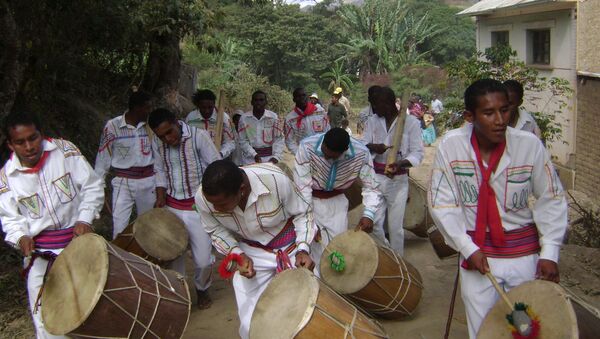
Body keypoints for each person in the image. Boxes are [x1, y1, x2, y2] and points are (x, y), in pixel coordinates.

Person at [427, 79, 567, 339]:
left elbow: (552, 197)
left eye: (504, 110)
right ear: (470, 116)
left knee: (525, 329)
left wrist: (550, 251)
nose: (500, 119)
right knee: (484, 331)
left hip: (524, 257)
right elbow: (442, 202)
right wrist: (468, 248)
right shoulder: (451, 146)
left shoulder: (529, 145)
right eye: (489, 113)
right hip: (478, 258)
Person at [0, 112, 104, 338]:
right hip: (41, 254)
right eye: (20, 142)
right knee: (48, 320)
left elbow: (92, 186)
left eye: (33, 138)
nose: (29, 146)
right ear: (10, 145)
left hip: (79, 245)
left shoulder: (65, 151)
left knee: (94, 309)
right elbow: (10, 218)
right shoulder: (6, 178)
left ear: (41, 134)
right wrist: (20, 237)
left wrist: (84, 218)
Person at [195, 160, 316, 339]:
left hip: (290, 246)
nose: (215, 208)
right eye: (212, 204)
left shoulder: (276, 180)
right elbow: (214, 230)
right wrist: (238, 255)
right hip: (250, 251)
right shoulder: (205, 198)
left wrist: (303, 249)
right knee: (250, 318)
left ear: (242, 190)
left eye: (221, 205)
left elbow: (302, 213)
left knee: (305, 307)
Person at [149, 108, 222, 309]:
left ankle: (202, 288)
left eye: (170, 132)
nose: (167, 139)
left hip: (197, 208)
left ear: (176, 122)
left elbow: (216, 166)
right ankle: (179, 296)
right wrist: (160, 196)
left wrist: (212, 197)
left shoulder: (199, 137)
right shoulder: (157, 143)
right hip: (172, 207)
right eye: (161, 136)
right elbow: (160, 170)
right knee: (173, 257)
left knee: (203, 260)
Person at [294, 128, 381, 273]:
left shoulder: (362, 153)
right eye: (324, 153)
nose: (327, 159)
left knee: (337, 249)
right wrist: (308, 222)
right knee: (313, 249)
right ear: (323, 142)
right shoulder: (306, 147)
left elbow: (371, 186)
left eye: (332, 157)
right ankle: (317, 288)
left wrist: (369, 214)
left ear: (345, 150)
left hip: (338, 203)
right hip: (310, 202)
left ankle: (334, 289)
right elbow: (303, 190)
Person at [363, 87, 424, 253]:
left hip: (397, 180)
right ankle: (387, 255)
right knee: (374, 223)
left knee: (396, 228)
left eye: (376, 104)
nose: (373, 108)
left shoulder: (410, 123)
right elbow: (364, 145)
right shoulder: (372, 121)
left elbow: (417, 152)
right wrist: (374, 147)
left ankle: (399, 264)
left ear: (388, 103)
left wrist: (401, 163)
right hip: (375, 177)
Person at [94, 91, 155, 239]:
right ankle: (120, 258)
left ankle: (145, 260)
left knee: (148, 226)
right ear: (136, 108)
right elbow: (103, 157)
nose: (149, 111)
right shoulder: (113, 126)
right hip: (123, 182)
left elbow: (158, 155)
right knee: (119, 226)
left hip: (148, 180)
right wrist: (98, 187)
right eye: (147, 108)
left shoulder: (150, 126)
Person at [237, 90, 284, 165]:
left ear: (266, 102)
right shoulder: (244, 118)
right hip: (250, 159)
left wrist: (276, 157)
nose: (258, 102)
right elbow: (242, 140)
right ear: (252, 102)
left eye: (261, 100)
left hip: (270, 159)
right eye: (256, 100)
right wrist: (254, 154)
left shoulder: (273, 117)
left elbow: (279, 138)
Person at [186, 89, 236, 158]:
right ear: (198, 105)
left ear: (214, 104)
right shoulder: (191, 118)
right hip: (197, 159)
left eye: (210, 107)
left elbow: (230, 142)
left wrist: (221, 154)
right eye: (203, 107)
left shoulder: (223, 118)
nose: (207, 111)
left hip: (218, 159)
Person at [285, 87, 330, 154]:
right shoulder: (290, 119)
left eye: (304, 95)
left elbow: (327, 131)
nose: (302, 98)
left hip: (321, 154)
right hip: (304, 155)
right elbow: (289, 141)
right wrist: (299, 154)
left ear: (307, 97)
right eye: (298, 96)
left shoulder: (320, 111)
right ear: (294, 99)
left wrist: (326, 151)